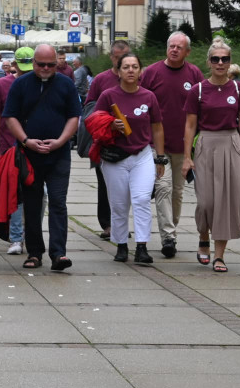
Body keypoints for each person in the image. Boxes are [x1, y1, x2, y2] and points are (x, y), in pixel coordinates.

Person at [2, 44, 82, 271]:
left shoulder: (65, 84)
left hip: (59, 155)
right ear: (33, 63)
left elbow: (74, 117)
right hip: (29, 155)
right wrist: (26, 141)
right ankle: (35, 252)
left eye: (50, 64)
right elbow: (10, 117)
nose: (46, 68)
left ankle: (59, 254)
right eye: (41, 64)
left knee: (58, 202)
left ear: (57, 62)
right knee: (32, 203)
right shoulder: (20, 84)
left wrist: (61, 141)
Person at [181, 37, 240, 272]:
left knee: (227, 201)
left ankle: (219, 255)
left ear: (230, 62)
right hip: (206, 144)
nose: (220, 63)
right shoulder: (198, 90)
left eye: (225, 59)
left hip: (231, 143)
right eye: (216, 59)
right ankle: (204, 236)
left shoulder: (239, 89)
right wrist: (187, 157)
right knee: (205, 202)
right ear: (209, 62)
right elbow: (190, 126)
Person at [92, 53, 166, 264]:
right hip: (115, 158)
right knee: (118, 204)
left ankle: (142, 247)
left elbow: (158, 128)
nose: (131, 70)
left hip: (141, 155)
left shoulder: (148, 97)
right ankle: (121, 245)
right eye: (126, 67)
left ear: (141, 71)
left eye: (135, 66)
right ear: (119, 71)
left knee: (142, 199)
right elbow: (95, 123)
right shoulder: (108, 96)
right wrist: (110, 125)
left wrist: (160, 158)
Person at [140, 31, 205, 258]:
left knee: (177, 193)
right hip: (157, 146)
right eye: (171, 46)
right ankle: (168, 236)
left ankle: (171, 229)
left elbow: (201, 107)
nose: (174, 49)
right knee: (163, 188)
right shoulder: (152, 73)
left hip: (184, 147)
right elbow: (140, 100)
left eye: (179, 47)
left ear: (187, 51)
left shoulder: (194, 74)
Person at [0, 46, 31, 254]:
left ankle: (31, 235)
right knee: (16, 193)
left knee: (41, 194)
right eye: (23, 68)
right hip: (10, 148)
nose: (27, 72)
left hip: (38, 147)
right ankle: (16, 238)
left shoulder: (43, 85)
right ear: (14, 66)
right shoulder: (2, 85)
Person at [84, 40, 132, 239]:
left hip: (130, 141)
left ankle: (121, 222)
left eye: (126, 56)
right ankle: (107, 224)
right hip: (105, 141)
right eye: (119, 57)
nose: (123, 61)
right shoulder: (101, 80)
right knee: (105, 185)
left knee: (127, 186)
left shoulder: (136, 78)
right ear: (112, 57)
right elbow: (89, 108)